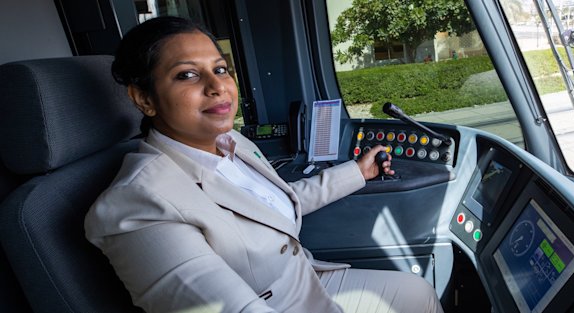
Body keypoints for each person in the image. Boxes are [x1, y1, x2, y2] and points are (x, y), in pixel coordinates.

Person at [84, 16, 443, 313]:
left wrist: (358, 172)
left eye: (221, 69)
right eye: (187, 75)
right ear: (144, 98)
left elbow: (274, 206)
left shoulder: (231, 142)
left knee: (420, 292)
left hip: (306, 278)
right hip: (275, 304)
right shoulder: (138, 204)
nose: (217, 87)